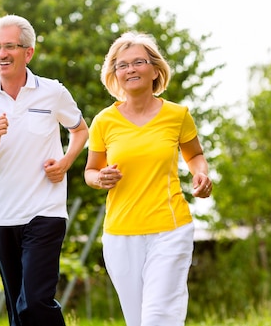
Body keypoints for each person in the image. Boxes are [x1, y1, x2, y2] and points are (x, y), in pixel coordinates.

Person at [0, 14, 89, 326]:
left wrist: (65, 162)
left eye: (10, 47)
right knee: (18, 311)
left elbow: (81, 131)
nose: (1, 54)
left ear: (28, 52)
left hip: (45, 211)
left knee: (34, 300)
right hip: (2, 216)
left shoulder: (52, 92)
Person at [84, 31, 213, 326]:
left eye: (138, 62)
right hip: (120, 233)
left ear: (155, 70)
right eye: (122, 65)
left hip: (169, 228)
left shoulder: (177, 115)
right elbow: (90, 171)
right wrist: (99, 178)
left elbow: (195, 156)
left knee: (158, 317)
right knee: (137, 320)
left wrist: (201, 174)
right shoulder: (104, 121)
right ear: (115, 74)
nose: (130, 69)